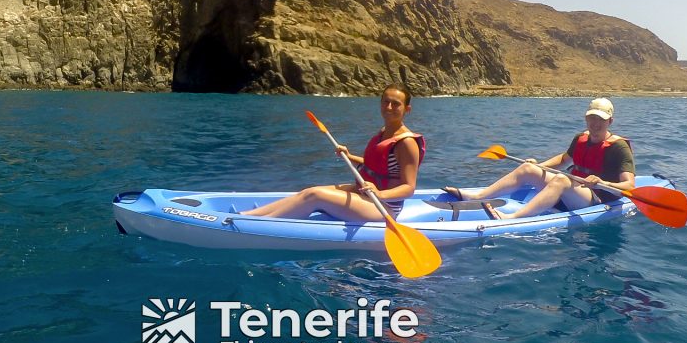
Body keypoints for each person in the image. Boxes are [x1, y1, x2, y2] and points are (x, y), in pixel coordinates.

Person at [242, 84, 426, 221]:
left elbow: (409, 188)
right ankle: (247, 216)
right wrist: (349, 155)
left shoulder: (407, 143)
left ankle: (260, 224)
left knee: (316, 196)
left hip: (384, 206)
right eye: (386, 102)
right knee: (309, 191)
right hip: (367, 193)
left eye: (396, 104)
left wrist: (380, 194)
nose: (389, 107)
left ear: (406, 109)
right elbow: (377, 168)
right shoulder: (384, 132)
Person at [445, 97, 635, 220]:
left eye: (601, 119)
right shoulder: (581, 138)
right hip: (575, 189)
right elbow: (564, 159)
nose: (595, 123)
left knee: (562, 179)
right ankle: (478, 196)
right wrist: (539, 166)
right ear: (586, 118)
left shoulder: (619, 147)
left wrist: (600, 181)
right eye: (592, 118)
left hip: (598, 197)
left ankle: (513, 219)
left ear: (610, 121)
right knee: (528, 168)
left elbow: (629, 186)